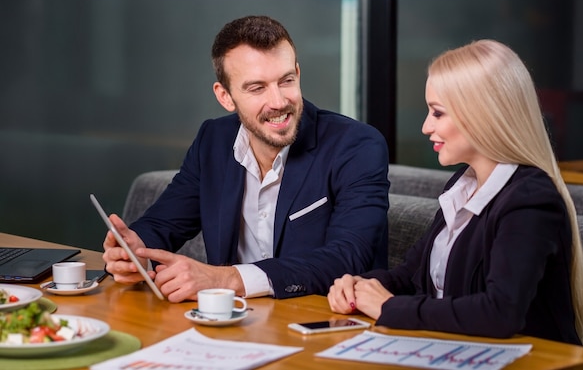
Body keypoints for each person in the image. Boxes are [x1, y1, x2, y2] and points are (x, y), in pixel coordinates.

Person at [327, 39, 583, 348]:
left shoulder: (530, 199)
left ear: (482, 114)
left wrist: (389, 308)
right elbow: (411, 275)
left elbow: (499, 313)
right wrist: (363, 286)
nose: (426, 127)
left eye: (438, 113)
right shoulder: (462, 186)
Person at [103, 15, 389, 302]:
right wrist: (134, 251)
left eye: (286, 81)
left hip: (324, 325)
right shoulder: (213, 140)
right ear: (225, 96)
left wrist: (226, 279)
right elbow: (164, 224)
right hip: (230, 323)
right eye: (257, 88)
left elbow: (349, 258)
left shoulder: (356, 146)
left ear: (298, 74)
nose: (278, 102)